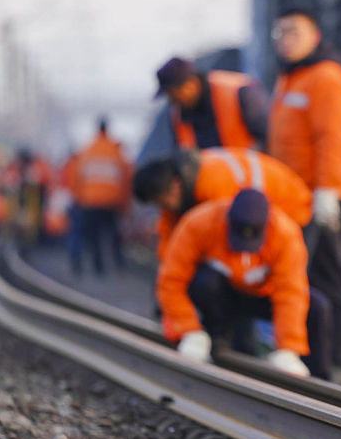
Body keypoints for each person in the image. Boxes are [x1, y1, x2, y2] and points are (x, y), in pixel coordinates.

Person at [268, 7, 341, 378]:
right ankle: (311, 354)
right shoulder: (291, 79)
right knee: (302, 277)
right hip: (292, 199)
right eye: (280, 32)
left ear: (315, 36)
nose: (285, 39)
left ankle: (334, 362)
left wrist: (328, 192)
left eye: (294, 31)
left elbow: (334, 137)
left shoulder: (325, 77)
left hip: (318, 199)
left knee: (328, 277)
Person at [156, 189, 332, 379]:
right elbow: (171, 281)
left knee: (317, 306)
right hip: (224, 296)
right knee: (204, 282)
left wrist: (288, 348)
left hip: (262, 295)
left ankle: (317, 379)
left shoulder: (286, 234)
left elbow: (290, 293)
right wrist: (188, 329)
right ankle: (215, 338)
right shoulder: (200, 222)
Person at [132, 146, 313, 258]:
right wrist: (168, 279)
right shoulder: (178, 186)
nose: (163, 207)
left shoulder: (213, 186)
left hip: (293, 208)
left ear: (175, 185)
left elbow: (223, 244)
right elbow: (170, 237)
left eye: (161, 201)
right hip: (277, 207)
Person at [136, 57, 268, 165]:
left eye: (173, 94)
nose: (171, 101)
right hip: (215, 186)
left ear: (190, 84)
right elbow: (181, 158)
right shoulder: (178, 117)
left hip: (252, 181)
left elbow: (269, 136)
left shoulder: (238, 93)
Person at [70, 118, 132, 276]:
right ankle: (119, 264)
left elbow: (78, 176)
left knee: (94, 236)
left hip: (90, 202)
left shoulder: (88, 149)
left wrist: (79, 198)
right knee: (114, 234)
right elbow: (126, 177)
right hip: (112, 202)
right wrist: (125, 202)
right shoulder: (116, 151)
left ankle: (99, 266)